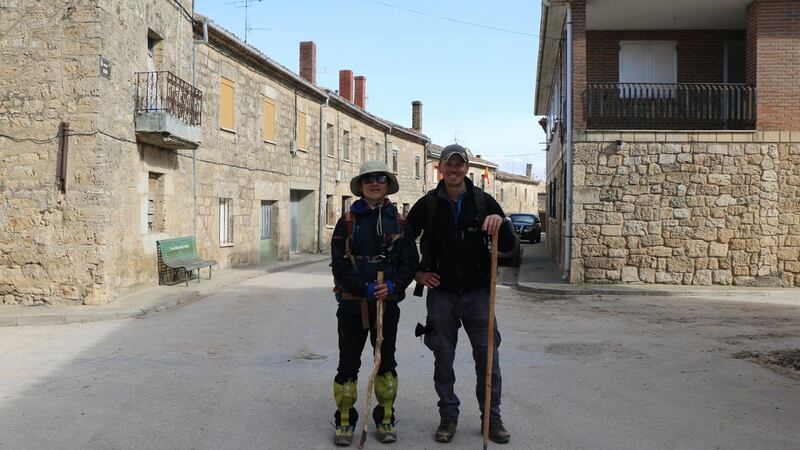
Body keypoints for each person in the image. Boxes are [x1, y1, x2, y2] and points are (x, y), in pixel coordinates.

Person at [406, 144, 517, 444]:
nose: (454, 170)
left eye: (459, 165)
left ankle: (491, 419)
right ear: (439, 168)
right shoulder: (428, 204)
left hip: (479, 293)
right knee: (443, 357)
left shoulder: (483, 202)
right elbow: (404, 241)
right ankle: (448, 417)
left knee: (488, 358)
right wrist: (416, 272)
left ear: (467, 168)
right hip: (441, 294)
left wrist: (501, 224)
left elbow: (510, 247)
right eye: (448, 165)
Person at [330, 160, 419, 446]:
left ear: (387, 184)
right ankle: (345, 420)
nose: (375, 182)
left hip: (387, 306)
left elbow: (410, 263)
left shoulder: (401, 222)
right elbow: (339, 267)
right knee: (348, 364)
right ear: (361, 185)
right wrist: (364, 288)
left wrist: (393, 285)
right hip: (352, 305)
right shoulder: (347, 222)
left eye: (380, 177)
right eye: (368, 178)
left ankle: (385, 416)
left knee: (386, 363)